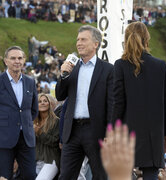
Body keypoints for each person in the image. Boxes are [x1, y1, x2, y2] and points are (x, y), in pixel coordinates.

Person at [112, 21, 166, 180]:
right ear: (147, 39)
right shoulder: (160, 65)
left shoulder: (120, 65)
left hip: (127, 131)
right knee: (151, 174)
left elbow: (118, 103)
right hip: (154, 133)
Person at [55, 25, 113, 180]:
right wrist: (63, 75)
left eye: (83, 39)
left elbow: (112, 104)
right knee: (66, 176)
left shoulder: (108, 69)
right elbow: (60, 95)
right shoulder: (71, 68)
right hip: (72, 131)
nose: (78, 43)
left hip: (96, 131)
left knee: (100, 176)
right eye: (77, 40)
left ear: (96, 44)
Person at [0, 46, 38, 179]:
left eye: (20, 58)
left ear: (24, 60)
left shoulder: (30, 82)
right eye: (13, 58)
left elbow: (33, 110)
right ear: (6, 61)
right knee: (4, 176)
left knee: (30, 175)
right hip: (3, 138)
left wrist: (23, 123)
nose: (17, 61)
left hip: (26, 138)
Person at [34, 93, 60, 180]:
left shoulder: (56, 121)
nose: (42, 103)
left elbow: (55, 142)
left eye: (45, 101)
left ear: (49, 104)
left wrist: (40, 133)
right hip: (36, 160)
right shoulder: (32, 122)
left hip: (51, 160)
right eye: (39, 101)